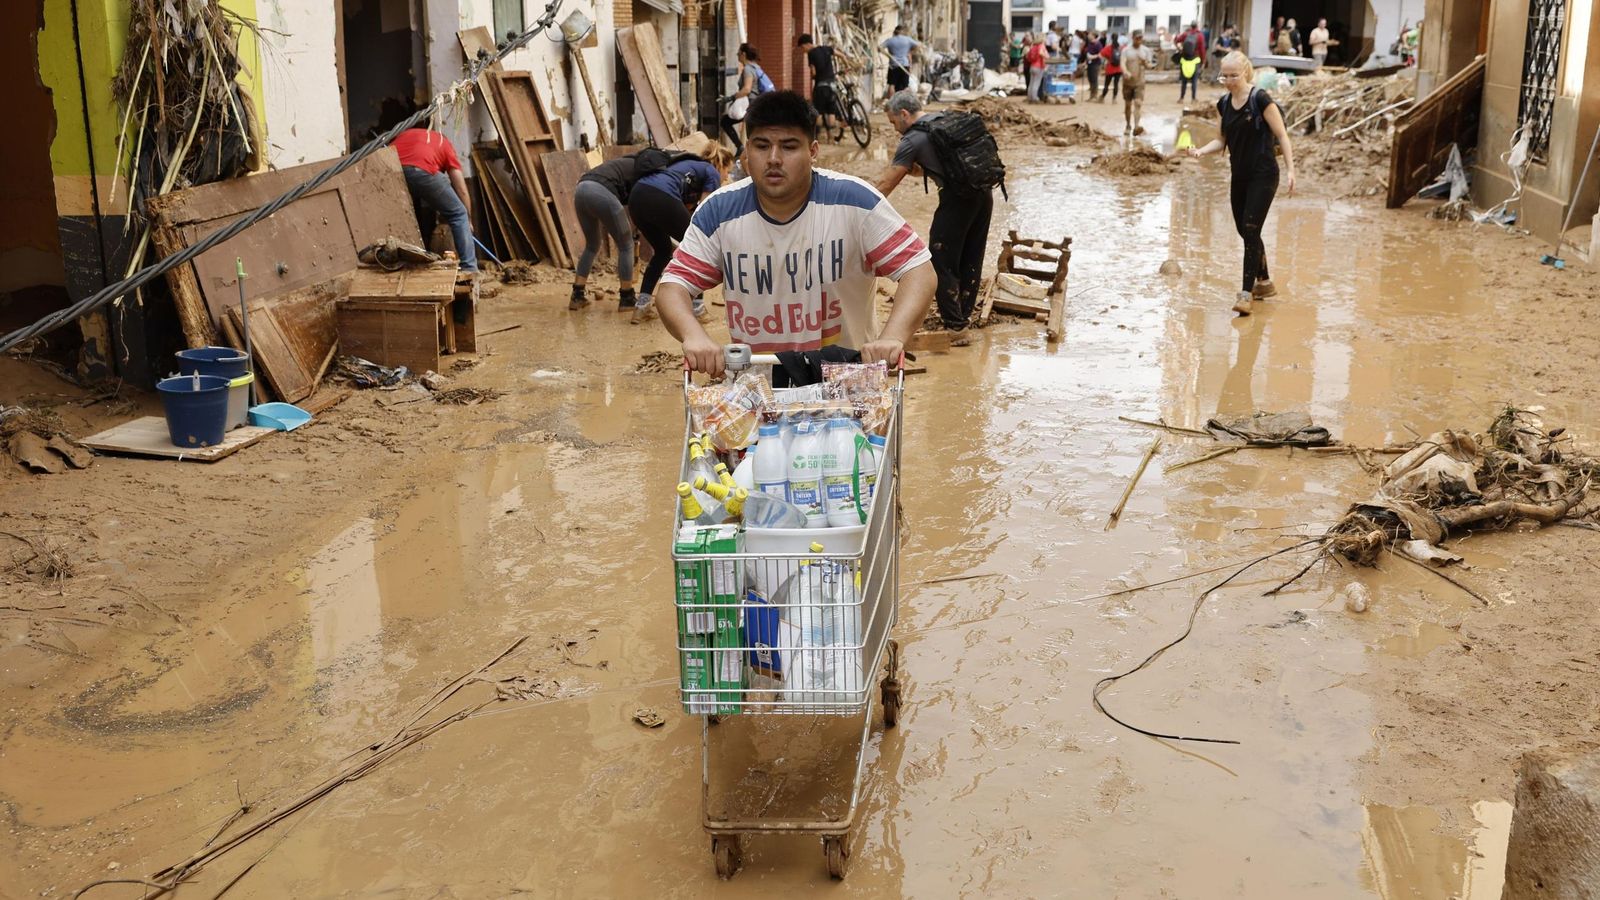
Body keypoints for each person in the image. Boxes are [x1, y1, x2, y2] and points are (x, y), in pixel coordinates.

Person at [655, 91, 936, 375]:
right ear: (746, 151)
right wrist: (694, 336)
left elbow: (919, 271)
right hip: (757, 391)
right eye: (762, 146)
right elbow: (673, 287)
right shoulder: (718, 211)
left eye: (789, 147)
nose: (774, 159)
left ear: (813, 151)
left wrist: (892, 337)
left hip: (848, 386)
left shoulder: (855, 202)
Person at [875, 90, 994, 345]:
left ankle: (955, 328)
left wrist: (858, 207)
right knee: (971, 256)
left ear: (904, 114)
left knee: (940, 260)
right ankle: (963, 316)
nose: (896, 130)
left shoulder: (913, 138)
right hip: (983, 194)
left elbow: (886, 184)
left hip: (956, 201)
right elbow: (941, 166)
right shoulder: (943, 120)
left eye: (894, 122)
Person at [1187, 51, 1296, 316]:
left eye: (1234, 75)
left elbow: (1282, 135)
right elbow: (1222, 141)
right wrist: (1201, 151)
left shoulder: (1260, 99)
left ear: (1245, 72)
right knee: (1245, 229)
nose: (1228, 80)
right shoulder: (1224, 103)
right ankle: (1265, 282)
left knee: (1250, 228)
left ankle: (1245, 294)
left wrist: (1291, 170)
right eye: (1224, 75)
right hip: (1240, 174)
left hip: (1264, 173)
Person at [627, 155, 721, 324]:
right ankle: (698, 309)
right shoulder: (711, 170)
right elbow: (705, 209)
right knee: (698, 249)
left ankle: (642, 307)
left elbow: (683, 208)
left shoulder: (682, 167)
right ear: (723, 163)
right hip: (661, 195)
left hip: (637, 196)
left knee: (662, 251)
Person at [390, 120, 477, 273]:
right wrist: (468, 219)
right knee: (458, 213)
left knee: (398, 216)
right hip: (423, 171)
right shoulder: (445, 144)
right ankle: (469, 268)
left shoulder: (405, 134)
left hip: (390, 172)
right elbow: (461, 189)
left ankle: (393, 263)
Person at [570, 152, 640, 311]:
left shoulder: (622, 164)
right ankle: (627, 298)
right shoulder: (643, 170)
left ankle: (577, 295)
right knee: (626, 245)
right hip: (601, 192)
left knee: (592, 245)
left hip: (581, 190)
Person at [720, 44, 770, 157]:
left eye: (738, 53)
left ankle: (741, 147)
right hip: (757, 104)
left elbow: (747, 89)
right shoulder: (756, 67)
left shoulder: (748, 69)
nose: (737, 55)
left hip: (750, 104)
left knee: (725, 121)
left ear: (743, 54)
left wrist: (731, 98)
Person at [797, 34, 840, 140]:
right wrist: (847, 64)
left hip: (821, 87)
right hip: (832, 85)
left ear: (807, 44)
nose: (803, 51)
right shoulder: (826, 49)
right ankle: (831, 137)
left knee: (819, 112)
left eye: (802, 48)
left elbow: (814, 72)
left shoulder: (811, 54)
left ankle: (819, 136)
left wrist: (812, 76)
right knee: (831, 111)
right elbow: (841, 55)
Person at [1120, 31, 1154, 134]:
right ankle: (1128, 125)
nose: (1139, 40)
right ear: (1133, 38)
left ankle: (1136, 126)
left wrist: (1145, 63)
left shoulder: (1145, 51)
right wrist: (1125, 71)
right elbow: (1122, 63)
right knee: (1128, 104)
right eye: (1137, 38)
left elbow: (1150, 65)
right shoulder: (1126, 50)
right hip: (1128, 82)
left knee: (1138, 103)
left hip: (1140, 82)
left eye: (1140, 38)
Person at [881, 26, 921, 99]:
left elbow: (879, 48)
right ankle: (904, 101)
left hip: (893, 65)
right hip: (905, 65)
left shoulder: (890, 40)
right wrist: (910, 51)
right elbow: (918, 46)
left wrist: (888, 55)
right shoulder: (907, 40)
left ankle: (891, 103)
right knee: (905, 85)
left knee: (892, 84)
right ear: (902, 31)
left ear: (894, 32)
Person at [1177, 30, 1202, 102]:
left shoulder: (1184, 34)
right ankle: (1193, 98)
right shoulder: (1200, 36)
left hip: (1184, 61)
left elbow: (1176, 40)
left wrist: (1180, 50)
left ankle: (1181, 98)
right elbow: (1202, 50)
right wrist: (1203, 61)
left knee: (1184, 82)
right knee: (1194, 82)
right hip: (1195, 61)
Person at [1098, 33, 1122, 103]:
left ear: (1111, 38)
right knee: (1116, 84)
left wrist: (1107, 59)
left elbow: (1100, 55)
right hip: (1119, 68)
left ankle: (1102, 97)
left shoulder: (1108, 48)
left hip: (1110, 68)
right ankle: (1114, 99)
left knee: (1106, 85)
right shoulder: (1120, 48)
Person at [1025, 35, 1049, 103]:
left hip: (1032, 66)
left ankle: (1029, 97)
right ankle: (1034, 98)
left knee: (1031, 83)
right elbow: (1040, 53)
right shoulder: (1041, 45)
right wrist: (1046, 56)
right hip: (1039, 67)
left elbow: (1028, 56)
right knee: (1036, 83)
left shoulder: (1033, 46)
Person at [1083, 31, 1104, 104]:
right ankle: (1091, 96)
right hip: (1089, 64)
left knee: (1094, 79)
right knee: (1090, 79)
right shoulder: (1090, 43)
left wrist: (1093, 57)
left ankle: (1094, 96)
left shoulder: (1098, 44)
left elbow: (1101, 54)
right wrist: (1085, 62)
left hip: (1095, 64)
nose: (1088, 35)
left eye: (1090, 34)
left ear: (1094, 35)